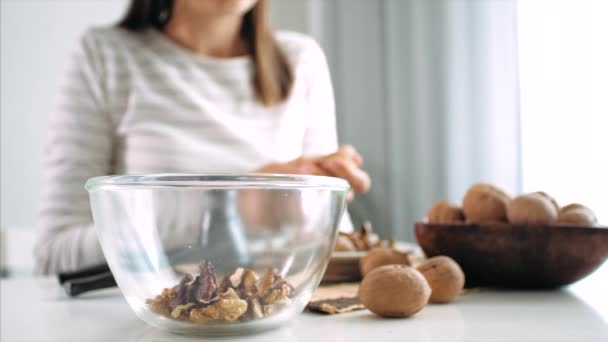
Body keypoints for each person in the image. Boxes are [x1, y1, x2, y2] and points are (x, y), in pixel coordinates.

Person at [35, 0, 370, 274]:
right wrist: (234, 207)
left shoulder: (301, 59)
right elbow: (55, 255)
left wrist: (321, 198)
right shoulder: (104, 55)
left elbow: (331, 240)